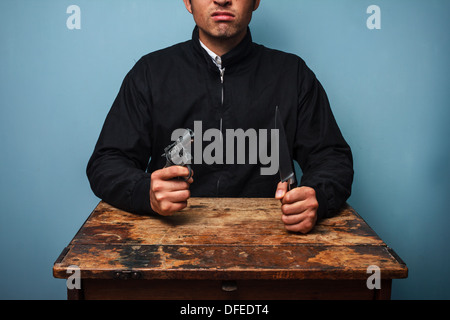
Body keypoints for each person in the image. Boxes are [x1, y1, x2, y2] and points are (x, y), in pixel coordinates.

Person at [86, 0, 354, 234]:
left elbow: (331, 157)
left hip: (273, 244)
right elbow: (106, 162)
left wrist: (315, 196)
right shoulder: (150, 73)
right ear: (187, 2)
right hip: (167, 247)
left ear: (256, 0)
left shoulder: (293, 74)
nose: (222, 0)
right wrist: (146, 192)